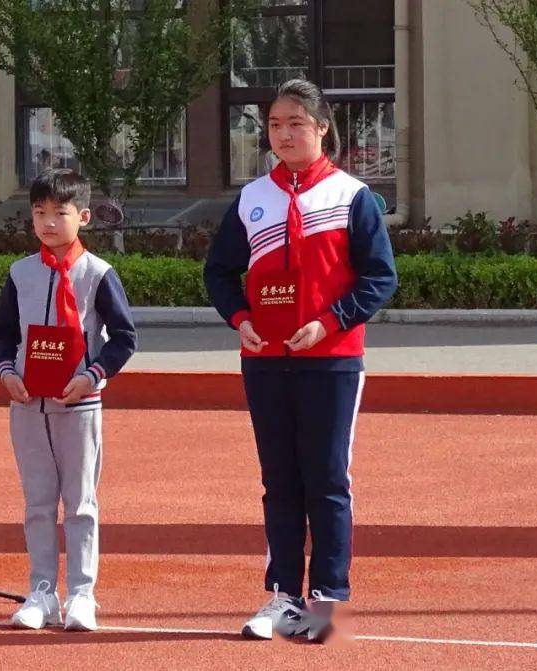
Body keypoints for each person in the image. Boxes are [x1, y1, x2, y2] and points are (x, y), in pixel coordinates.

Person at [205, 79, 397, 642]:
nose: (283, 134)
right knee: (279, 481)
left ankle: (328, 601)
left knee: (327, 480)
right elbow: (219, 272)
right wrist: (241, 320)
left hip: (332, 360)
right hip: (265, 361)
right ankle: (284, 596)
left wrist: (330, 322)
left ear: (320, 128)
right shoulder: (251, 199)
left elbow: (380, 277)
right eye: (274, 125)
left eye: (295, 123)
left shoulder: (351, 197)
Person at [0, 168, 137, 632]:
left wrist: (93, 375)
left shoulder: (97, 274)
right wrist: (6, 371)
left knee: (80, 502)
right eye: (40, 213)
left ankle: (82, 593)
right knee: (37, 502)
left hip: (79, 403)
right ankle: (42, 592)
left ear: (83, 217)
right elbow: (2, 335)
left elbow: (124, 337)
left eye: (60, 213)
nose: (49, 222)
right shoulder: (21, 273)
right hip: (29, 403)